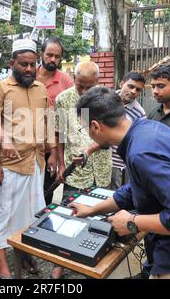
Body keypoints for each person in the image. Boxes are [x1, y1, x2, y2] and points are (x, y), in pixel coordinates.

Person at [71, 87, 170, 279]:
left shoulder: (142, 152)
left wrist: (132, 223)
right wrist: (92, 210)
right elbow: (136, 189)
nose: (89, 136)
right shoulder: (145, 130)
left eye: (85, 129)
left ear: (96, 126)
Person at [0, 39, 57, 279]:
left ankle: (25, 252)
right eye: (23, 64)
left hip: (36, 161)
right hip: (10, 164)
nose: (28, 68)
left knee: (33, 211)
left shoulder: (40, 89)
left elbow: (48, 122)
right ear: (11, 63)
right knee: (5, 213)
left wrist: (54, 152)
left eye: (32, 64)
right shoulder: (0, 89)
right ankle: (2, 261)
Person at [51, 61, 112, 279]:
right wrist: (59, 163)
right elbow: (58, 134)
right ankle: (61, 260)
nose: (84, 91)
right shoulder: (63, 99)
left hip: (101, 168)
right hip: (74, 170)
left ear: (98, 81)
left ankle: (94, 258)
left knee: (101, 217)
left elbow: (109, 137)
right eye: (80, 86)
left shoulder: (107, 100)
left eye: (89, 86)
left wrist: (89, 151)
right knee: (69, 214)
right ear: (73, 79)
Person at [36, 37, 73, 205]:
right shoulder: (29, 75)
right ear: (41, 54)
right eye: (49, 55)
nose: (53, 60)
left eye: (57, 56)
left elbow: (69, 119)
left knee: (46, 195)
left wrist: (56, 155)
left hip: (53, 150)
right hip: (27, 149)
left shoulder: (66, 82)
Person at [110, 71, 146, 190]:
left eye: (138, 90)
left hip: (118, 164)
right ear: (121, 84)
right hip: (98, 161)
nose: (133, 92)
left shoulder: (139, 113)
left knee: (112, 199)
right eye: (131, 86)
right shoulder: (106, 100)